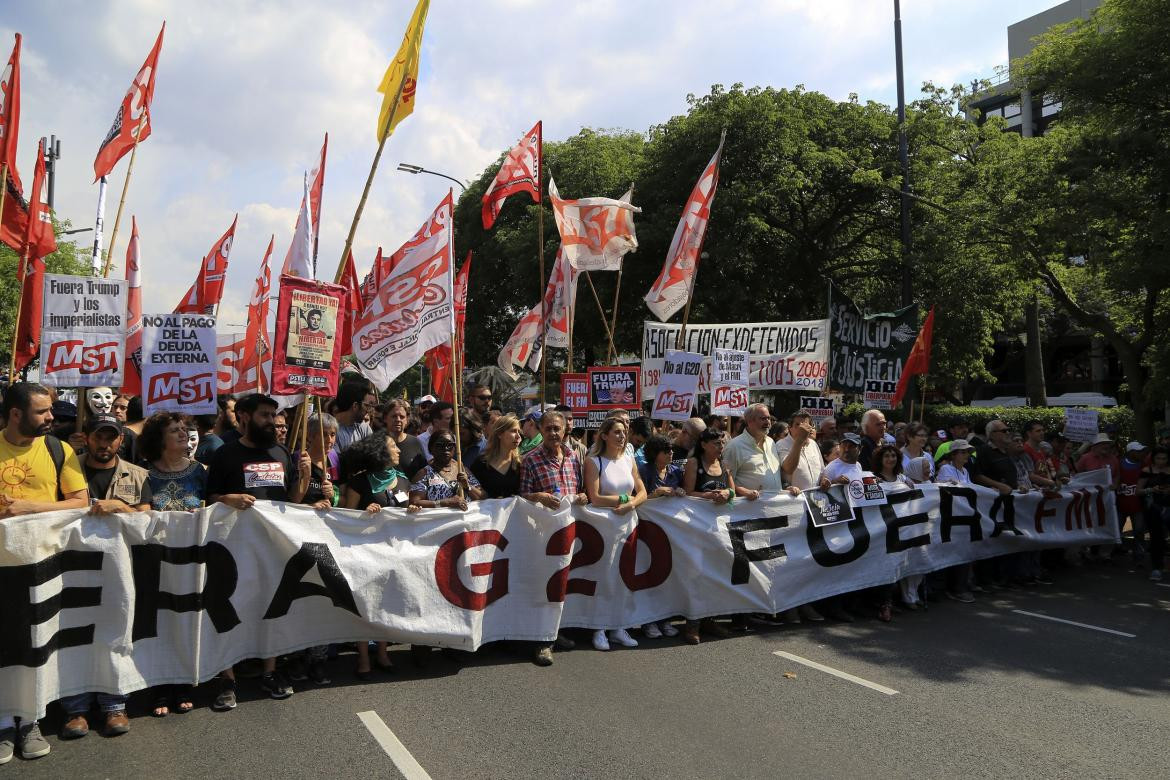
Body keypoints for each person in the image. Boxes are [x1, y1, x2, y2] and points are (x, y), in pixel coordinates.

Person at [0, 383, 91, 762]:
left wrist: (27, 508)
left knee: (37, 642)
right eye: (42, 412)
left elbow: (81, 502)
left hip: (43, 566)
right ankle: (4, 721)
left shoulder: (59, 449)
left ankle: (30, 717)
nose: (51, 418)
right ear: (16, 414)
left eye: (50, 410)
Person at [206, 393, 311, 707]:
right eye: (265, 415)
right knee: (230, 608)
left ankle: (269, 670)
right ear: (245, 416)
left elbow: (293, 500)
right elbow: (209, 499)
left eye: (273, 415)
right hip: (233, 547)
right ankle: (227, 677)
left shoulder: (281, 453)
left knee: (273, 608)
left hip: (272, 547)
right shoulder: (226, 455)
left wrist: (304, 476)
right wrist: (229, 500)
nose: (271, 422)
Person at [59, 414, 151, 740]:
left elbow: (148, 517)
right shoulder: (66, 471)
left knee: (116, 633)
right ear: (87, 438)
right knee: (75, 635)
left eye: (112, 437)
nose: (105, 444)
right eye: (99, 436)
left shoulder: (138, 475)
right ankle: (76, 708)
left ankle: (114, 703)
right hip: (72, 568)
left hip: (119, 570)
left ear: (121, 441)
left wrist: (120, 508)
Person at [722, 403, 812, 624]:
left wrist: (785, 489)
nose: (768, 422)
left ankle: (766, 609)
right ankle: (742, 614)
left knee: (771, 564)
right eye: (762, 418)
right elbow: (725, 480)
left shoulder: (771, 443)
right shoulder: (735, 447)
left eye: (769, 418)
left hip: (771, 516)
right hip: (746, 516)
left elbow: (780, 474)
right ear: (749, 421)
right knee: (748, 567)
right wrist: (743, 492)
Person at [340, 431, 416, 678]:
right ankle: (363, 658)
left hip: (395, 556)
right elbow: (344, 516)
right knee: (365, 605)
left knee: (387, 604)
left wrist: (413, 509)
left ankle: (382, 652)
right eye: (393, 446)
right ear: (380, 453)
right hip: (365, 555)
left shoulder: (403, 480)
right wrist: (364, 513)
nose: (398, 450)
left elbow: (408, 514)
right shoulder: (359, 483)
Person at [519, 410, 587, 665]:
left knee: (563, 585)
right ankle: (542, 642)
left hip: (568, 532)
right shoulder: (530, 460)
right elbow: (522, 496)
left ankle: (556, 633)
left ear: (565, 429)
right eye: (548, 429)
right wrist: (538, 497)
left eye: (557, 428)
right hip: (542, 534)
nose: (553, 433)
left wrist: (582, 497)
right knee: (544, 585)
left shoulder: (573, 458)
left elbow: (580, 491)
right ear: (540, 429)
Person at [583, 417, 649, 649]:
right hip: (603, 526)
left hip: (628, 523)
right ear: (604, 435)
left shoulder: (629, 459)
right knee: (603, 577)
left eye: (624, 432)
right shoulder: (593, 461)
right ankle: (598, 629)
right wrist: (624, 499)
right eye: (617, 432)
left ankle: (618, 627)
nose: (622, 436)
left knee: (624, 576)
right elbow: (596, 498)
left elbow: (642, 491)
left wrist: (631, 504)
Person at [873, 443, 914, 617]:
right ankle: (884, 604)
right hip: (883, 531)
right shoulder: (874, 479)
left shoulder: (903, 479)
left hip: (903, 530)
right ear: (880, 460)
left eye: (893, 456)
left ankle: (893, 600)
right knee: (886, 566)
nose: (891, 459)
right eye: (887, 456)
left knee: (899, 565)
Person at [935, 440, 977, 603]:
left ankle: (960, 585)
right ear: (953, 455)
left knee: (963, 552)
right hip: (950, 518)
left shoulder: (965, 471)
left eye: (967, 452)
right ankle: (952, 587)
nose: (966, 455)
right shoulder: (946, 469)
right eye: (963, 452)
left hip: (964, 518)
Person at [143, 412, 207, 512]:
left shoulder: (197, 470)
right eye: (174, 431)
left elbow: (209, 506)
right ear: (159, 439)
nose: (183, 434)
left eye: (184, 429)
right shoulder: (143, 472)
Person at [409, 430, 485, 509]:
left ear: (455, 448)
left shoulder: (462, 469)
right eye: (440, 445)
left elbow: (483, 497)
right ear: (431, 448)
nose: (446, 448)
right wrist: (446, 503)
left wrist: (468, 486)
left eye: (450, 445)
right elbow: (414, 502)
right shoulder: (424, 474)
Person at [471, 414, 523, 498]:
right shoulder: (481, 463)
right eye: (513, 431)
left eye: (519, 432)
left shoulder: (520, 463)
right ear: (499, 434)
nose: (518, 436)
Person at [1139, 447, 1170, 581]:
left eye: (1164, 458)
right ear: (1153, 458)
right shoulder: (1147, 471)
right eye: (1158, 458)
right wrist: (1151, 489)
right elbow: (1138, 491)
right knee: (1156, 538)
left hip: (1168, 507)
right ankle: (1157, 568)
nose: (1161, 461)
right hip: (1153, 509)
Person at [777, 411, 829, 491]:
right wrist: (799, 440)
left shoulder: (813, 444)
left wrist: (823, 480)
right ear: (790, 428)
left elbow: (822, 470)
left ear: (811, 427)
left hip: (815, 497)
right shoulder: (781, 444)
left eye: (805, 425)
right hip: (795, 498)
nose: (802, 428)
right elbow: (788, 469)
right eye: (797, 425)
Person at [382, 398, 426, 481]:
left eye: (402, 417)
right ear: (385, 418)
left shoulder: (415, 442)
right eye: (394, 416)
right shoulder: (377, 443)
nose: (398, 420)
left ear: (407, 420)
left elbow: (423, 473)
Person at [303, 413, 338, 510]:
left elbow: (345, 500)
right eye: (324, 435)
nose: (329, 440)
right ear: (310, 436)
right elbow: (289, 500)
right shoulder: (299, 460)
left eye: (332, 434)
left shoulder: (335, 461)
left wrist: (333, 495)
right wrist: (311, 507)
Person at [332, 381, 376, 455]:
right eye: (367, 406)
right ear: (355, 406)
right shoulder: (330, 431)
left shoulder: (364, 428)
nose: (368, 411)